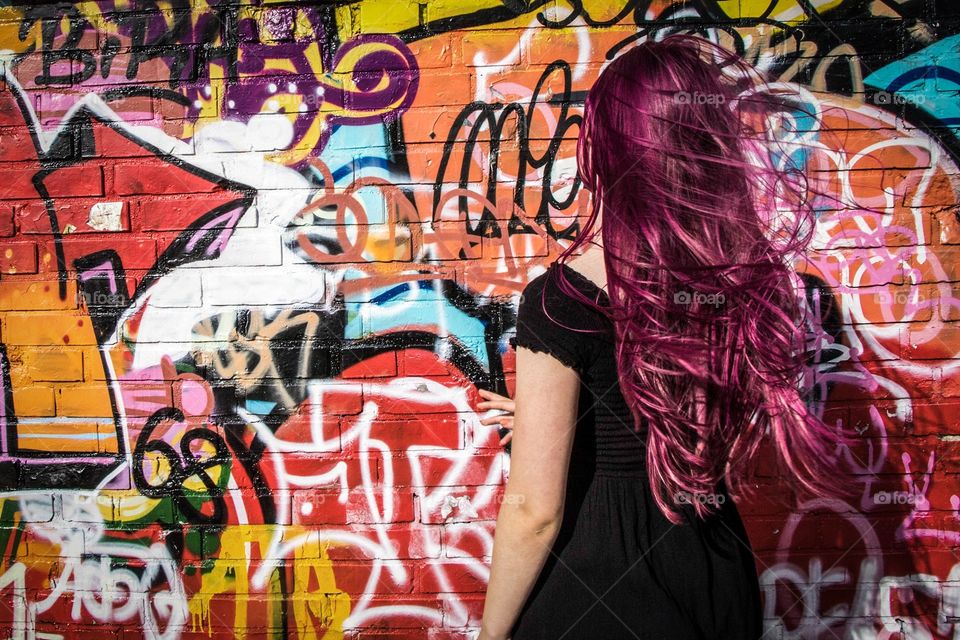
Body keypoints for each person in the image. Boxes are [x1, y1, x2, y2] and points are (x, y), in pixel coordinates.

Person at [473, 33, 852, 640]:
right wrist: (561, 423)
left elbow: (534, 514)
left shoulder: (563, 297)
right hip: (713, 572)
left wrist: (489, 637)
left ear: (609, 147)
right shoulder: (747, 284)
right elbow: (693, 427)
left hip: (595, 588)